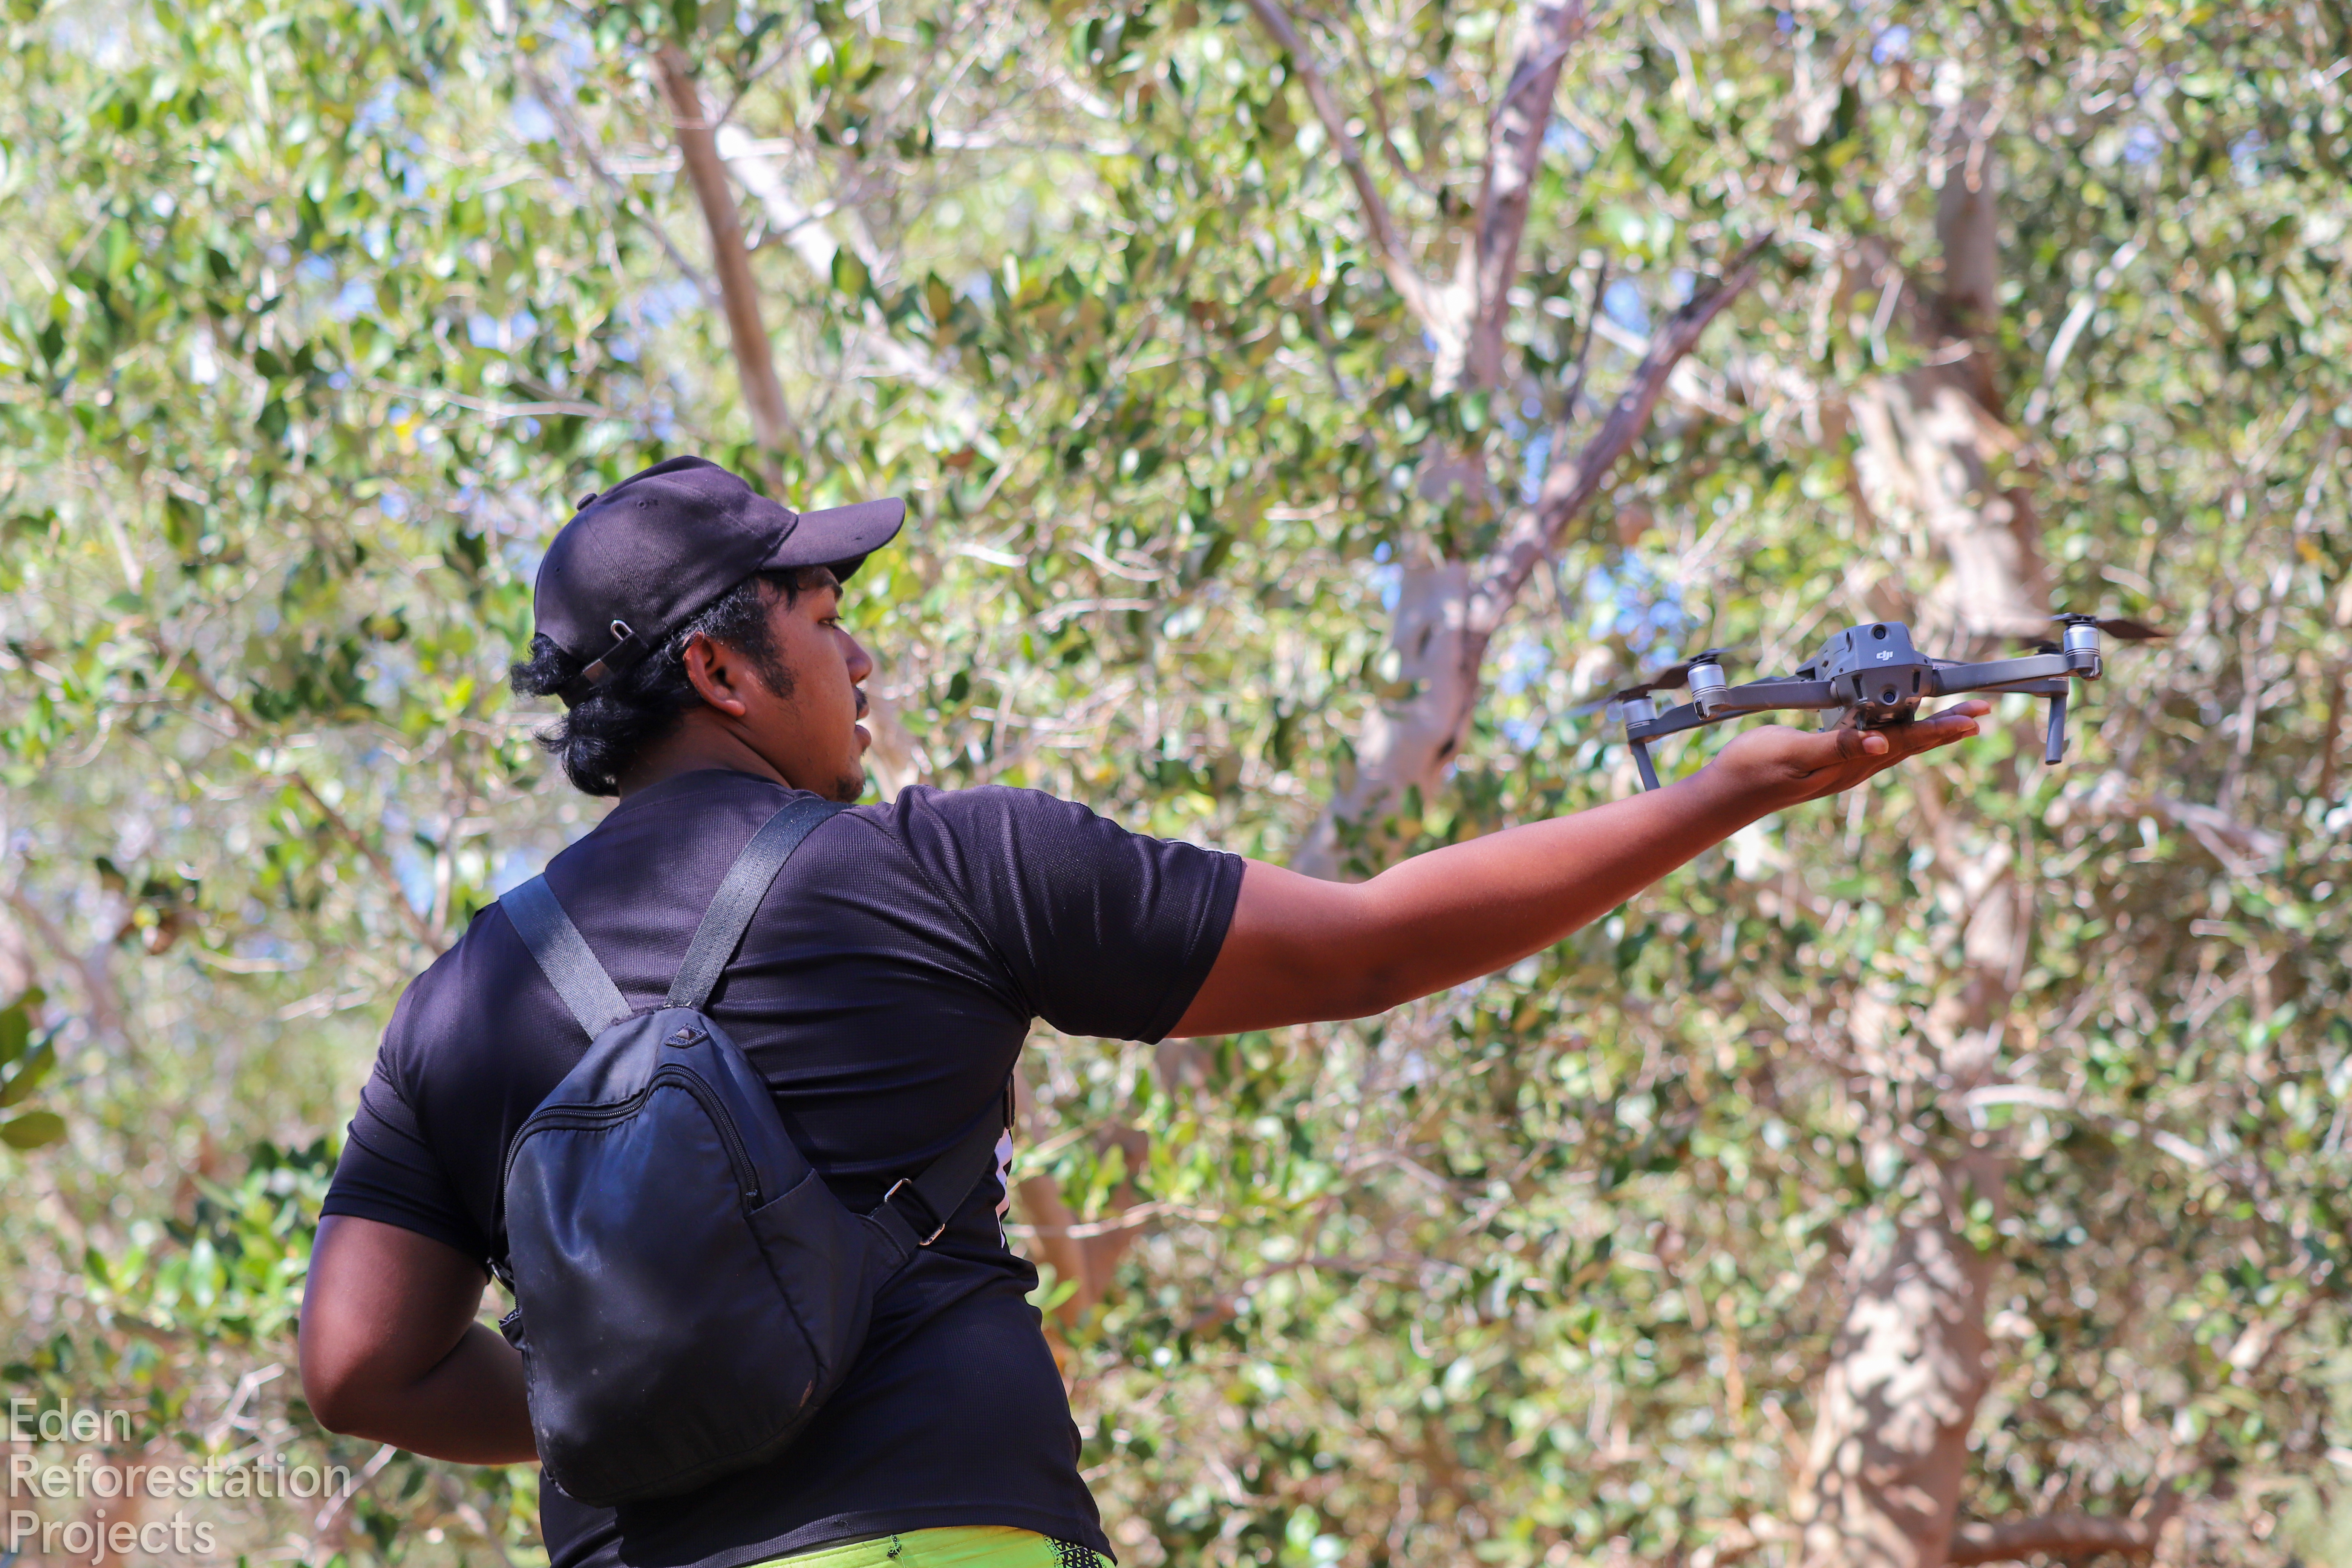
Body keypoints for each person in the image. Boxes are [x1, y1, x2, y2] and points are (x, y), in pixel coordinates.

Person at [298, 456, 1985, 1568]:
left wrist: (646, 1370)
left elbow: (360, 1363)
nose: (860, 646)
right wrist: (1738, 785)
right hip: (949, 1526)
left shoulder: (460, 1003)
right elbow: (1375, 945)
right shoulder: (947, 868)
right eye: (822, 615)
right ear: (728, 673)